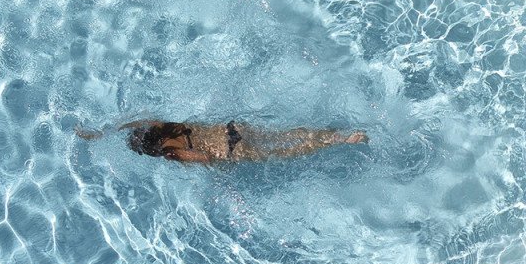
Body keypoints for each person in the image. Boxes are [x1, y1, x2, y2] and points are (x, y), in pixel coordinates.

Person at [81, 119, 367, 164]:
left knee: (287, 150)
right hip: (229, 128)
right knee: (287, 134)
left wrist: (219, 170)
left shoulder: (170, 152)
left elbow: (205, 158)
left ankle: (344, 142)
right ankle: (335, 134)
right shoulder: (163, 124)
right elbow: (132, 123)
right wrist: (99, 134)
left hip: (230, 149)